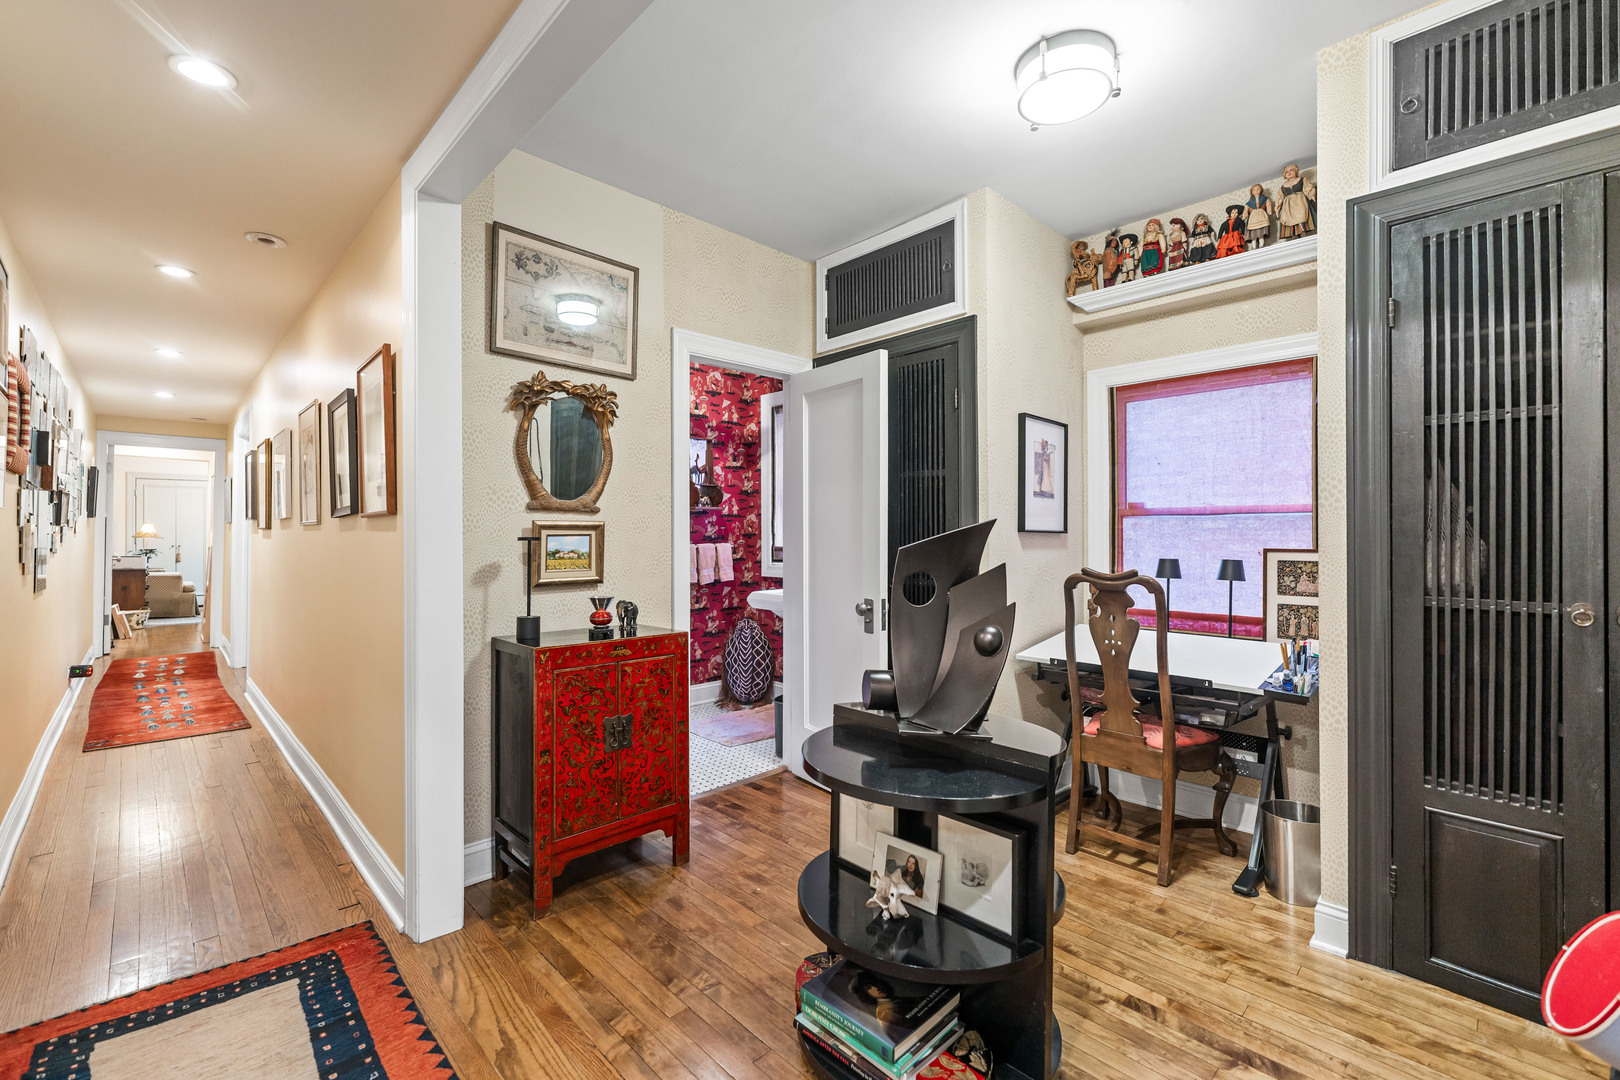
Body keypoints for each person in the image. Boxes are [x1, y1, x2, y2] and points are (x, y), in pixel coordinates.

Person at [1276, 163, 1317, 239]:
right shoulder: (1283, 186)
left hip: (1300, 202)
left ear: (1296, 171)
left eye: (1291, 170)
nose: (1289, 172)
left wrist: (1312, 196)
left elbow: (1308, 188)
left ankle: (1302, 232)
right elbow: (1279, 198)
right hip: (1289, 206)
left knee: (1301, 215)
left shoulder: (1302, 180)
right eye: (1286, 172)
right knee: (1290, 218)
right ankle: (1293, 235)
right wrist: (1277, 208)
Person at [1243, 184, 1273, 249]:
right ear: (1252, 192)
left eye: (1258, 189)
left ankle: (1261, 245)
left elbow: (1268, 205)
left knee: (1261, 232)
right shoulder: (1249, 202)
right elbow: (1245, 210)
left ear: (1261, 190)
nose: (1256, 191)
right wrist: (1244, 216)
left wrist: (1269, 211)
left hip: (1261, 216)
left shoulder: (1265, 199)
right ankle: (1254, 247)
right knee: (1254, 234)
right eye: (1254, 190)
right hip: (1253, 218)